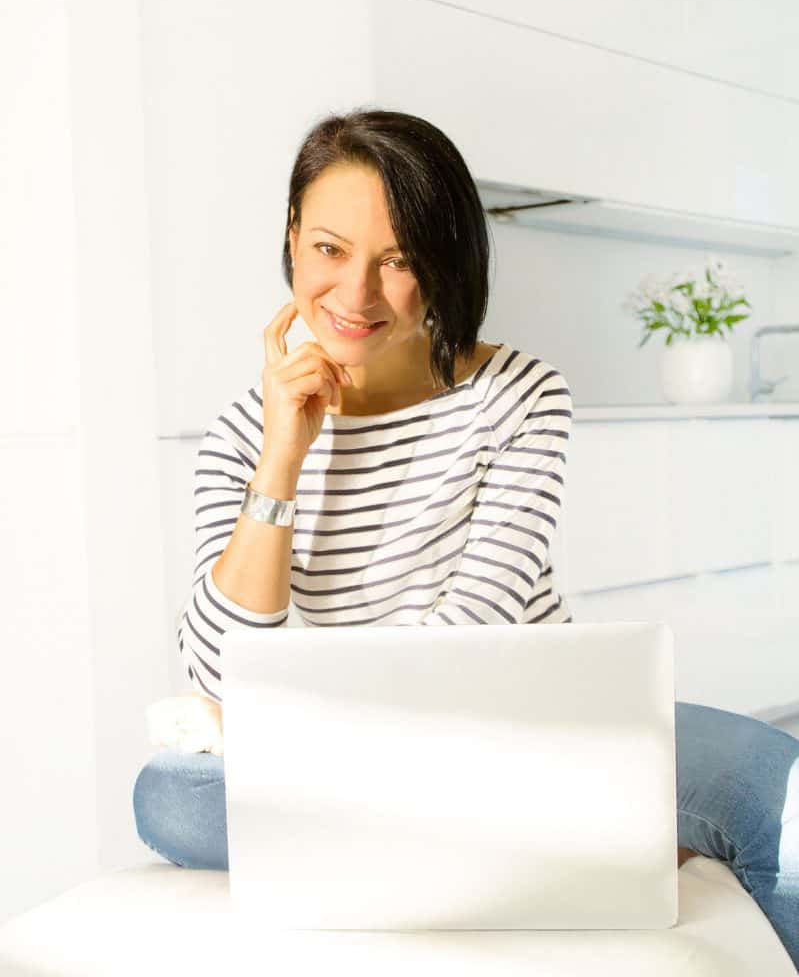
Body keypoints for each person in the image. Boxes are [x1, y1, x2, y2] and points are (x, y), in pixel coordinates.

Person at [133, 108, 799, 968]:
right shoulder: (244, 436)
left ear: (445, 262)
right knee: (172, 794)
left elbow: (475, 622)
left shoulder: (518, 393)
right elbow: (217, 671)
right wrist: (280, 461)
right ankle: (538, 846)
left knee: (775, 787)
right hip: (350, 756)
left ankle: (460, 846)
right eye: (329, 250)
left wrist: (345, 751)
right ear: (292, 237)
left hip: (531, 733)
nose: (356, 295)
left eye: (399, 261)